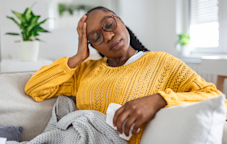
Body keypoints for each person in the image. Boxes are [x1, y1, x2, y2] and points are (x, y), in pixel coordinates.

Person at [25, 6, 225, 144]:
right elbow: (34, 88)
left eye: (109, 24)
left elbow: (217, 99)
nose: (109, 36)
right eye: (96, 36)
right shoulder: (85, 71)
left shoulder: (161, 63)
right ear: (91, 45)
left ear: (119, 21)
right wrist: (78, 57)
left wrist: (160, 99)